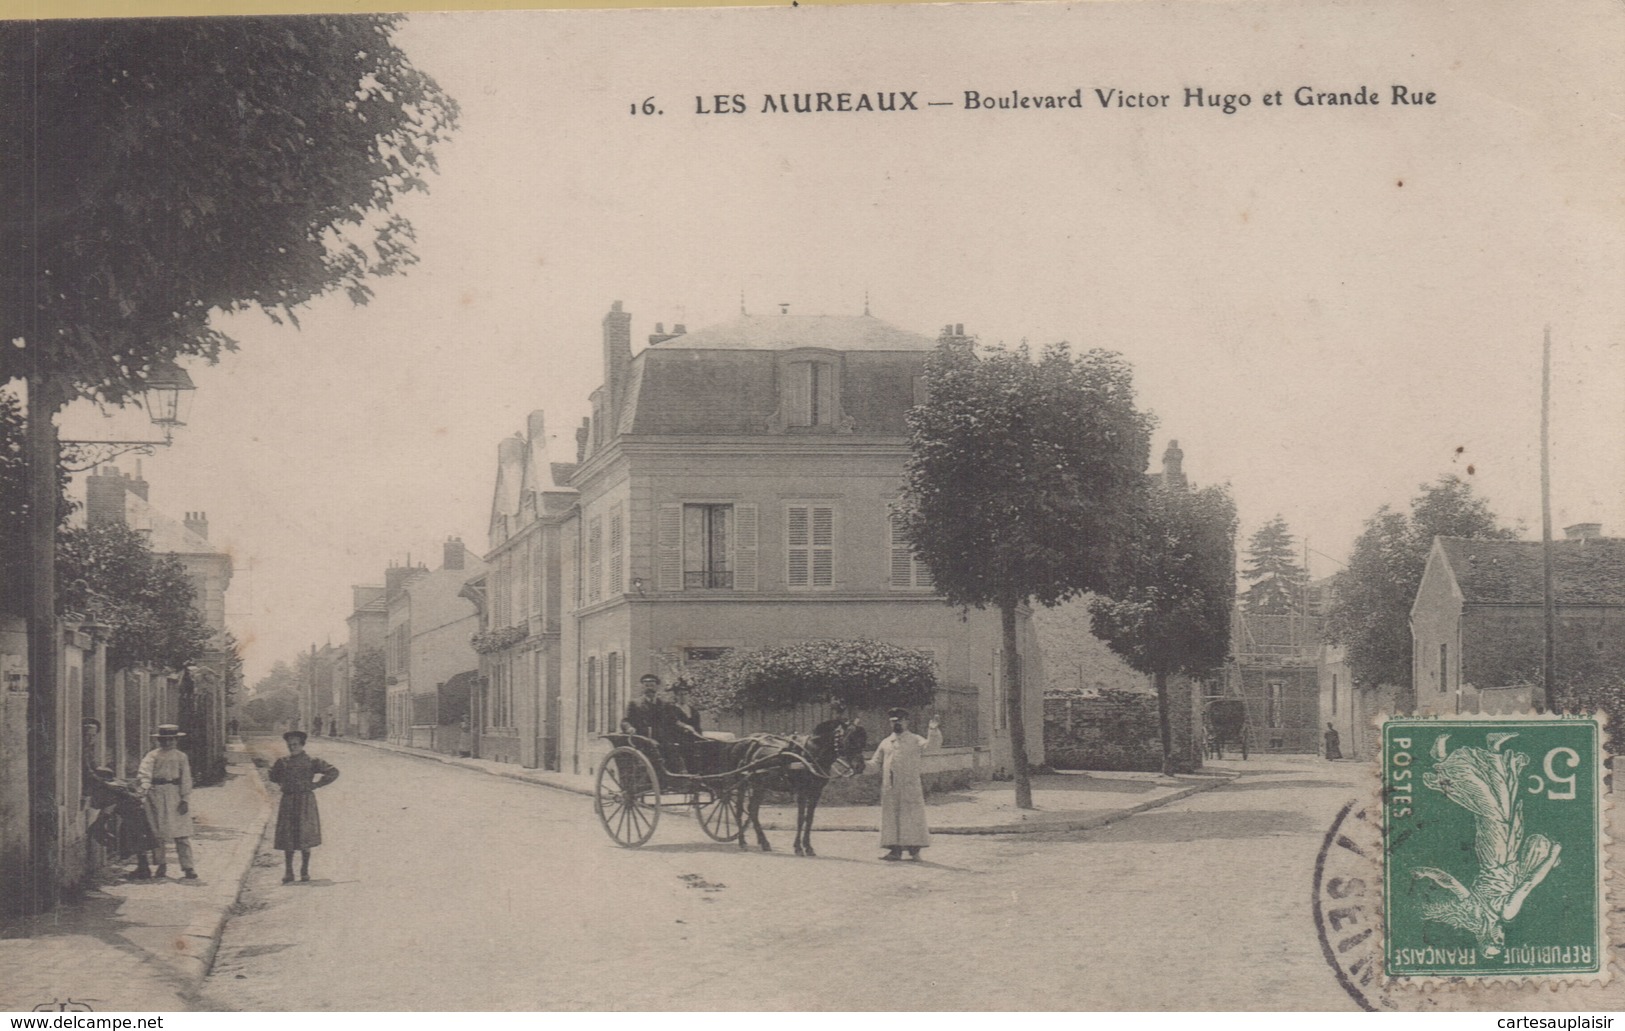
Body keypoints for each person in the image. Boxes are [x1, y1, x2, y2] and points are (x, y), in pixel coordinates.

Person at [869, 707, 942, 861]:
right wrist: (859, 766)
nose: (896, 724)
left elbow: (932, 747)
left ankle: (914, 851)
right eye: (893, 721)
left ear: (906, 722)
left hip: (910, 787)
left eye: (899, 721)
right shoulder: (885, 742)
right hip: (890, 788)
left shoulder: (915, 739)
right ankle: (894, 851)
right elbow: (875, 763)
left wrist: (933, 730)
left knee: (912, 817)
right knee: (891, 818)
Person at [268, 730, 340, 884]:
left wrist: (316, 784)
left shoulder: (312, 761)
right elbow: (273, 776)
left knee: (305, 835)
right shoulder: (282, 761)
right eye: (289, 745)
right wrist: (278, 778)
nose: (292, 747)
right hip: (288, 800)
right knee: (288, 836)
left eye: (295, 744)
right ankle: (288, 872)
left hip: (305, 801)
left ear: (302, 745)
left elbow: (333, 772)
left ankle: (304, 871)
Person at [137, 724, 197, 879]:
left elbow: (186, 778)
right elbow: (144, 773)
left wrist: (184, 799)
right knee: (158, 832)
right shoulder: (152, 756)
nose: (168, 743)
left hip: (175, 794)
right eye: (164, 740)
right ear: (159, 740)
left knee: (182, 833)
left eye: (171, 739)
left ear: (176, 740)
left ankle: (188, 867)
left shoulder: (181, 756)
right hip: (156, 794)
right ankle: (161, 865)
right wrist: (144, 787)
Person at [88, 766, 158, 880]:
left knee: (137, 844)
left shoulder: (111, 791)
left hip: (132, 818)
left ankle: (144, 871)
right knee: (139, 844)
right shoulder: (119, 786)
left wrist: (99, 824)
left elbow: (108, 810)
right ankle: (143, 869)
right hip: (139, 815)